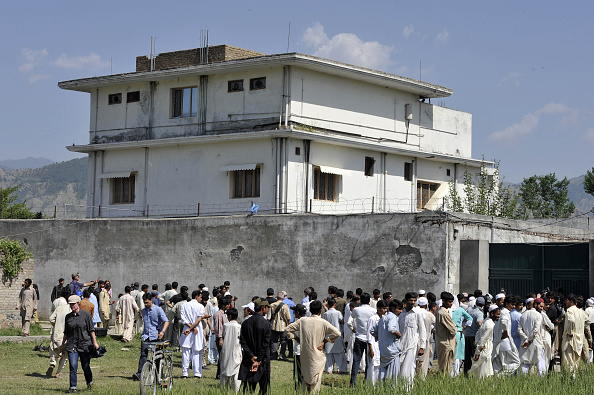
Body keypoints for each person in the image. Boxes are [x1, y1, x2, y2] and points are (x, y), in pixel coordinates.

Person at [285, 300, 341, 394]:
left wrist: (297, 338)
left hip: (305, 355)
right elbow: (337, 333)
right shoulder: (323, 322)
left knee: (305, 381)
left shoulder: (302, 321)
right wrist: (325, 341)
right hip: (317, 356)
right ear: (320, 311)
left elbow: (287, 329)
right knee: (315, 383)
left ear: (310, 310)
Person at [62, 295, 99, 393]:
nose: (72, 306)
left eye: (73, 304)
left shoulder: (86, 315)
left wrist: (95, 342)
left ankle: (89, 382)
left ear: (78, 303)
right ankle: (73, 387)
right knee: (73, 366)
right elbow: (66, 332)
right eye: (70, 304)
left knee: (85, 366)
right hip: (72, 345)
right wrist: (63, 344)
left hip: (85, 344)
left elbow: (91, 330)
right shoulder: (68, 317)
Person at [133, 293, 169, 381]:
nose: (145, 304)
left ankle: (158, 374)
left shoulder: (158, 309)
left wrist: (162, 332)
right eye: (144, 303)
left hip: (156, 336)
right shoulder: (144, 310)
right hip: (146, 336)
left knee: (157, 357)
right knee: (143, 355)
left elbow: (166, 321)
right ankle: (140, 373)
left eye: (147, 302)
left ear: (151, 300)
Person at [239, 298, 271, 394]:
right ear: (263, 308)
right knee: (263, 389)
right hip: (263, 360)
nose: (267, 310)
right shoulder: (266, 324)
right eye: (267, 308)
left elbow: (243, 342)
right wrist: (258, 360)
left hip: (249, 360)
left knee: (248, 388)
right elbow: (265, 344)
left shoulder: (245, 323)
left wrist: (252, 356)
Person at [398, 292, 426, 385]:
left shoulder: (418, 313)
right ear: (406, 301)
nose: (413, 302)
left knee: (409, 367)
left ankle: (408, 388)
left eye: (414, 300)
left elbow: (422, 330)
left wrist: (422, 346)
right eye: (411, 300)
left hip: (412, 345)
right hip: (401, 345)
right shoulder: (401, 314)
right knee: (400, 367)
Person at [348, 292, 375, 387]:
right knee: (369, 362)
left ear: (360, 300)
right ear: (369, 301)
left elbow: (352, 318)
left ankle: (353, 383)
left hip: (359, 337)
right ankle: (367, 380)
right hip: (370, 338)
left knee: (356, 360)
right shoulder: (373, 311)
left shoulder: (357, 310)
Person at [179, 290, 207, 378]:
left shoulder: (184, 305)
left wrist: (190, 328)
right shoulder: (200, 306)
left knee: (186, 352)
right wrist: (193, 328)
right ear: (197, 296)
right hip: (196, 330)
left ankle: (185, 373)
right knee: (197, 352)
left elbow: (183, 319)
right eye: (201, 297)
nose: (201, 299)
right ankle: (197, 373)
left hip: (188, 329)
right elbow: (198, 320)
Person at [375, 299, 403, 384]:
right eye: (399, 309)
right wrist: (399, 335)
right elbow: (391, 329)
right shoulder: (393, 317)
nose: (401, 311)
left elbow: (373, 331)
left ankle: (381, 389)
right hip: (392, 350)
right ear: (393, 309)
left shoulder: (382, 319)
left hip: (383, 349)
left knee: (383, 371)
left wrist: (382, 337)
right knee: (393, 375)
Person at [492, 294, 520, 375]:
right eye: (512, 304)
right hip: (505, 342)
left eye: (515, 304)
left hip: (498, 341)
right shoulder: (505, 313)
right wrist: (504, 331)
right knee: (516, 362)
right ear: (506, 303)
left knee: (498, 365)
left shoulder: (501, 312)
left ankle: (496, 380)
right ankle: (502, 376)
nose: (514, 306)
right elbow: (504, 322)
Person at [518, 298, 546, 376]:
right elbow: (535, 330)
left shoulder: (523, 315)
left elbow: (519, 329)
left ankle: (522, 381)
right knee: (540, 364)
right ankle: (542, 381)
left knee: (525, 363)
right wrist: (529, 340)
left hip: (525, 343)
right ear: (535, 305)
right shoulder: (538, 315)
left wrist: (526, 339)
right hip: (536, 342)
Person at [469, 304, 497, 378]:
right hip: (485, 349)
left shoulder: (485, 321)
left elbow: (478, 335)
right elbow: (483, 339)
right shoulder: (490, 325)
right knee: (485, 371)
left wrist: (477, 345)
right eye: (498, 314)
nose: (499, 316)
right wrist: (478, 352)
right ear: (492, 314)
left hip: (483, 348)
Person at [48, 288, 70, 378]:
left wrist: (55, 325)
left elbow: (51, 318)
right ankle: (58, 372)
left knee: (53, 349)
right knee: (65, 355)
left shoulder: (56, 303)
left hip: (56, 333)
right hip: (66, 335)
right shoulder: (69, 308)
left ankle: (52, 362)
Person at [562, 294, 586, 375]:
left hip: (570, 341)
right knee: (576, 363)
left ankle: (569, 381)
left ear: (571, 302)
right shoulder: (581, 312)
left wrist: (570, 332)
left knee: (568, 362)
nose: (566, 302)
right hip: (579, 340)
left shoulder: (570, 311)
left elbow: (571, 320)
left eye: (567, 301)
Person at [219, 308, 242, 393]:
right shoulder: (239, 326)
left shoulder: (226, 325)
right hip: (236, 350)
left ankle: (223, 390)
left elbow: (224, 336)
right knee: (236, 373)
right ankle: (235, 391)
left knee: (224, 371)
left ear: (230, 316)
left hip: (226, 350)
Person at [323, 297, 347, 374]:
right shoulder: (338, 313)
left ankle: (329, 370)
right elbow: (342, 321)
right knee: (339, 353)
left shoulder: (326, 314)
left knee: (329, 354)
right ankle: (340, 369)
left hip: (328, 335)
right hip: (337, 334)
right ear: (335, 304)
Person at [435, 292, 457, 375]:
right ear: (443, 301)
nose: (451, 304)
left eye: (452, 302)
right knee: (445, 368)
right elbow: (453, 330)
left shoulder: (440, 311)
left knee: (443, 367)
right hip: (446, 343)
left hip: (442, 342)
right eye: (449, 302)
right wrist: (456, 327)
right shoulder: (443, 313)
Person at [366, 299, 386, 386]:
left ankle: (379, 384)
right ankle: (371, 385)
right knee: (373, 365)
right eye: (383, 308)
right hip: (373, 344)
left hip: (381, 345)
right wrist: (371, 348)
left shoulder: (385, 318)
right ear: (378, 308)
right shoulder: (373, 319)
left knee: (380, 365)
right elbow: (369, 334)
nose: (385, 310)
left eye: (386, 308)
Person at [451, 295, 473, 376]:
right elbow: (470, 319)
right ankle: (456, 373)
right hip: (459, 333)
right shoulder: (460, 310)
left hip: (450, 334)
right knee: (458, 355)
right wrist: (464, 327)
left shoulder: (447, 310)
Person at [464, 296, 485, 375]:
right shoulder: (479, 313)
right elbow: (480, 323)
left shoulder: (469, 310)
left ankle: (466, 373)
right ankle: (474, 373)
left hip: (467, 335)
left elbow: (465, 319)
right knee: (475, 356)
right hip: (474, 337)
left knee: (467, 356)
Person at [415, 296, 435, 379]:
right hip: (425, 340)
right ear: (426, 305)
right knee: (423, 361)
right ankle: (421, 378)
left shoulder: (414, 312)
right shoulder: (429, 314)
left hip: (414, 339)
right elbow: (435, 325)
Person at [270, 292, 291, 360]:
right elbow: (288, 318)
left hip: (273, 325)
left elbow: (269, 317)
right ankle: (282, 355)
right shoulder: (285, 306)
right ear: (283, 298)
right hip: (283, 326)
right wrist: (288, 325)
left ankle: (274, 355)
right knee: (283, 341)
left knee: (274, 341)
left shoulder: (272, 305)